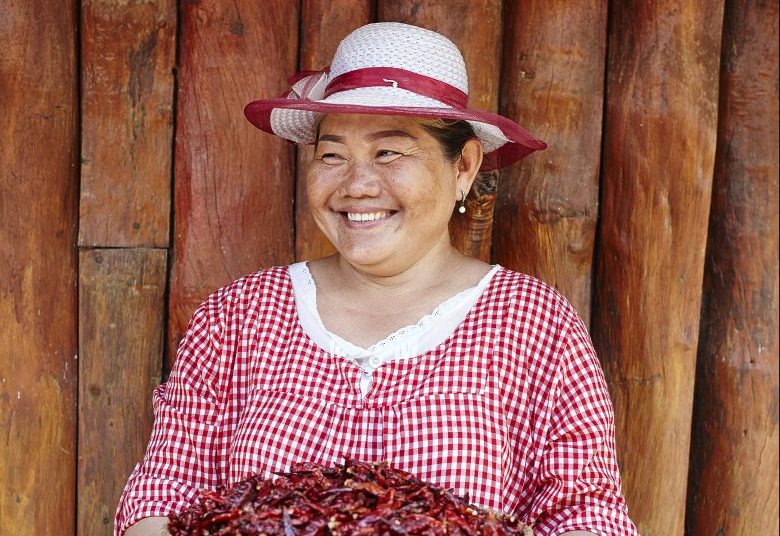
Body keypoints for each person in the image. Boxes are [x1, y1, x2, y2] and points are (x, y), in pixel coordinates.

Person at [116, 22, 638, 536]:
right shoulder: (239, 315)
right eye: (332, 155)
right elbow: (164, 492)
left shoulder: (533, 324)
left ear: (464, 167)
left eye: (389, 152)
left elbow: (587, 516)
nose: (358, 185)